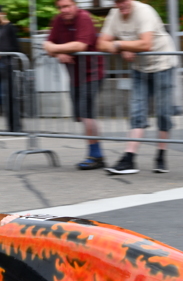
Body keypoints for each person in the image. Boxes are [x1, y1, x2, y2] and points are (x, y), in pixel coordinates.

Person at [98, 0, 177, 175]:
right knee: (137, 111)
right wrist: (123, 47)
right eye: (117, 1)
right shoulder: (114, 14)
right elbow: (101, 43)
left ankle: (161, 155)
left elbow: (145, 44)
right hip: (140, 68)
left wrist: (119, 45)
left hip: (162, 64)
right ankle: (129, 158)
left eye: (124, 0)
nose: (121, 4)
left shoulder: (144, 12)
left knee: (163, 112)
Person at [44, 0, 106, 170]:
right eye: (61, 7)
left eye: (67, 6)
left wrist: (57, 50)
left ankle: (96, 156)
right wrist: (59, 53)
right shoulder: (58, 21)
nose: (64, 10)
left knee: (86, 114)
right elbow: (46, 44)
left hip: (92, 73)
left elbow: (80, 45)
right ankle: (96, 153)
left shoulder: (83, 18)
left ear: (75, 5)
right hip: (75, 76)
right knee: (81, 116)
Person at [0, 5, 23, 133]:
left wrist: (1, 53)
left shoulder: (11, 28)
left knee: (12, 97)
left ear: (2, 13)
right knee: (5, 98)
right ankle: (10, 127)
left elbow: (16, 48)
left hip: (10, 65)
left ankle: (16, 127)